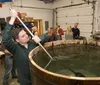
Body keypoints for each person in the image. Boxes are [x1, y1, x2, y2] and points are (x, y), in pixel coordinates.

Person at [2, 9, 51, 85]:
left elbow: (47, 36)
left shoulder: (32, 43)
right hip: (25, 81)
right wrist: (12, 18)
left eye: (26, 34)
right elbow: (5, 39)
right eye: (23, 36)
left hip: (37, 77)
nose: (27, 36)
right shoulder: (15, 49)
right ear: (17, 40)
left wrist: (39, 40)